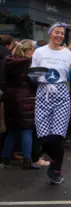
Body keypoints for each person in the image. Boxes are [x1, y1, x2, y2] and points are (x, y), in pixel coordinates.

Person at [31, 23, 71, 184]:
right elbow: (33, 73)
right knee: (44, 136)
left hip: (61, 94)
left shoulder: (67, 53)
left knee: (57, 136)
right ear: (50, 34)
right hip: (44, 93)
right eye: (56, 32)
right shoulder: (39, 52)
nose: (59, 36)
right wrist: (33, 77)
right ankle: (54, 160)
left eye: (62, 34)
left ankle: (56, 169)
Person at [1, 40, 39, 169]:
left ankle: (5, 158)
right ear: (28, 51)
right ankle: (27, 160)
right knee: (26, 129)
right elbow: (34, 82)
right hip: (25, 98)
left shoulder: (8, 62)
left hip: (10, 98)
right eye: (32, 50)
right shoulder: (28, 64)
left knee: (12, 130)